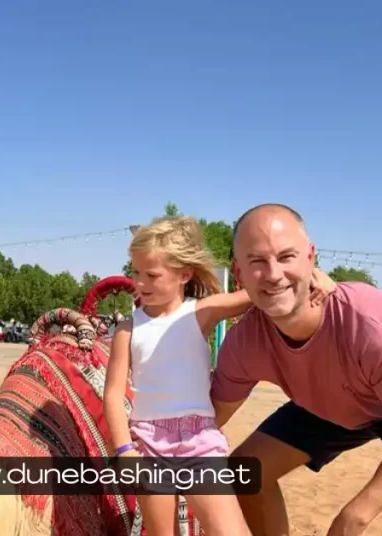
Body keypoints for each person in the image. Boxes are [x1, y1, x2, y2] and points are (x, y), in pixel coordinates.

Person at [210, 203, 382, 536]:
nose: (272, 273)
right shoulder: (245, 342)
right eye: (257, 261)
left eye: (286, 257)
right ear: (238, 274)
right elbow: (207, 419)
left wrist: (354, 515)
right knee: (244, 471)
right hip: (338, 399)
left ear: (310, 258)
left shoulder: (371, 327)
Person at [103, 215, 337, 536]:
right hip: (148, 444)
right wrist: (123, 451)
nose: (140, 283)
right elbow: (114, 394)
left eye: (152, 275)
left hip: (200, 443)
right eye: (136, 273)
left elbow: (260, 292)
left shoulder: (201, 312)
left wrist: (311, 275)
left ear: (184, 274)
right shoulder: (128, 329)